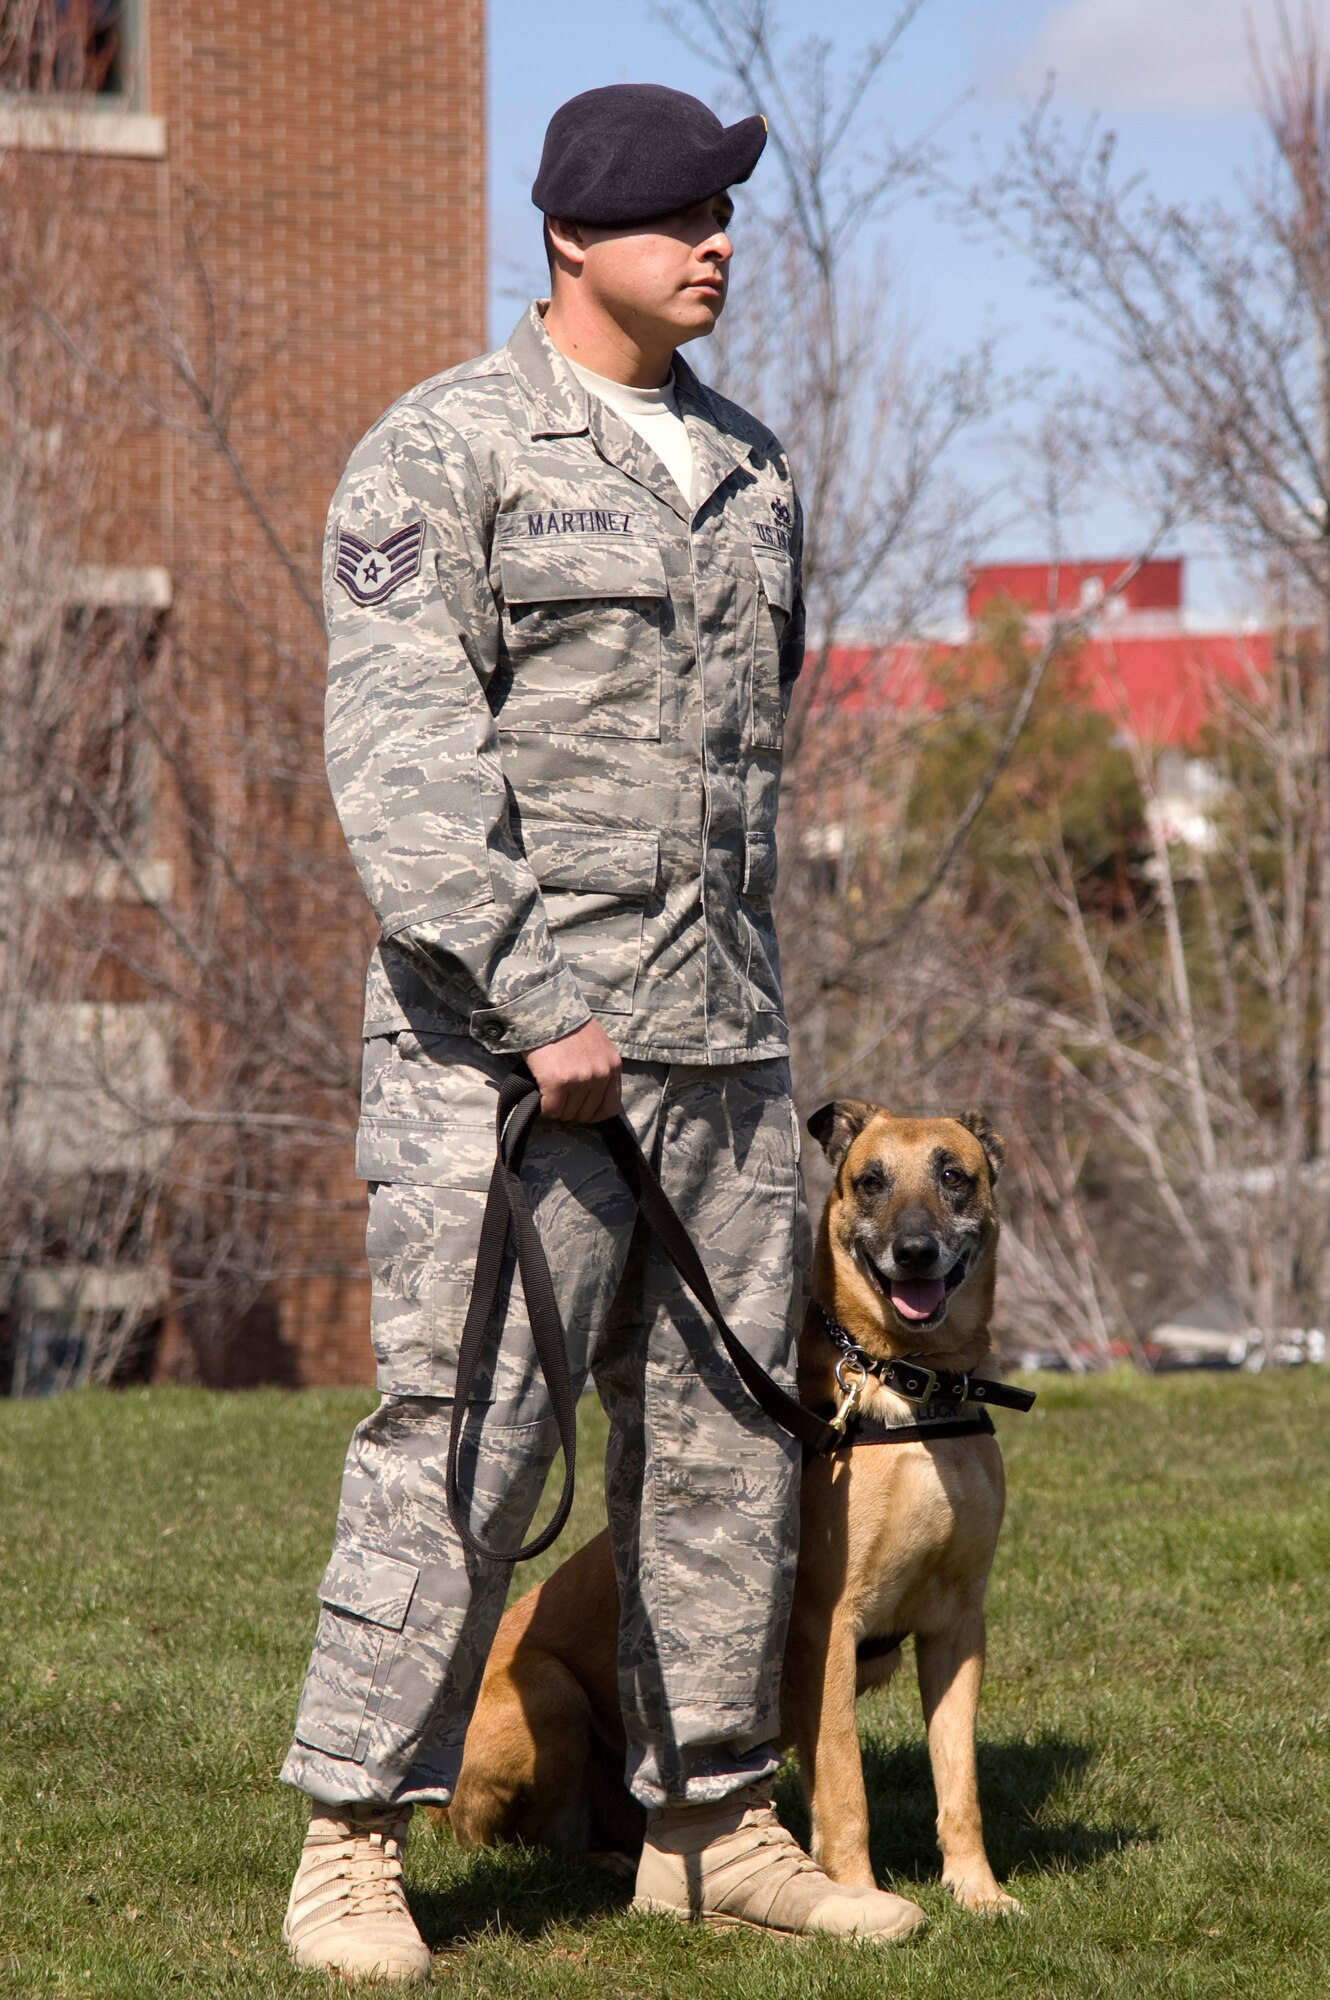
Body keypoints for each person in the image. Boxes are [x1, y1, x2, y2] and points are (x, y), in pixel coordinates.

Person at [279, 82, 928, 1983]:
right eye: (674, 213)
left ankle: (711, 1821)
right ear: (571, 236)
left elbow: (746, 778)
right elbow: (403, 763)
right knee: (462, 1451)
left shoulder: (750, 468)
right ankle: (348, 1845)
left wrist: (749, 1031)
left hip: (724, 1059)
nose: (715, 238)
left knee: (725, 1452)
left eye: (724, 208)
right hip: (513, 1067)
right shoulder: (442, 455)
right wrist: (535, 994)